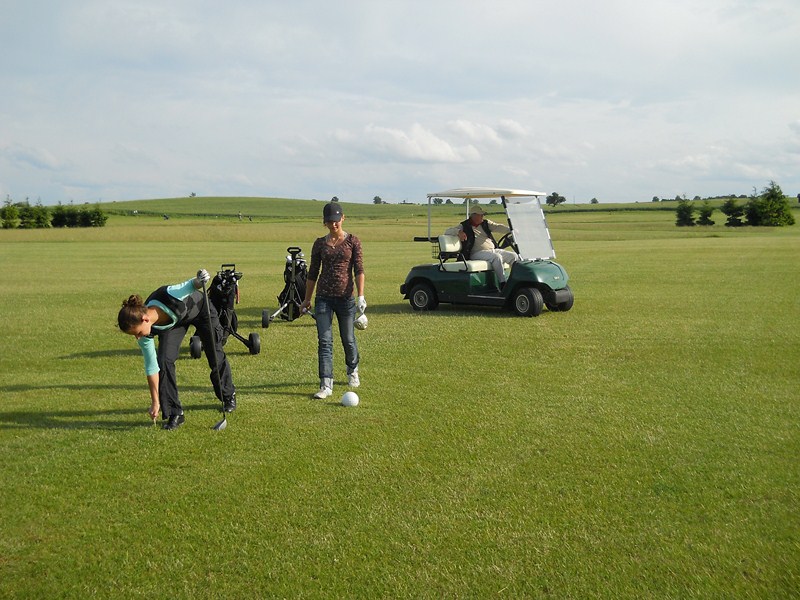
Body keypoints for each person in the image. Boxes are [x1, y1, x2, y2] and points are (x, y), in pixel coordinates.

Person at [117, 269, 237, 430]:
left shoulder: (169, 294)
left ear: (145, 319)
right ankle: (175, 413)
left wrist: (200, 278)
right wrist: (155, 402)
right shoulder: (146, 332)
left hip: (200, 309)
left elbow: (191, 285)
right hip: (176, 323)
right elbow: (152, 368)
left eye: (137, 333)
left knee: (215, 353)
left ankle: (228, 395)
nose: (138, 338)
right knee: (164, 361)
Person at [300, 202, 366, 399]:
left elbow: (359, 270)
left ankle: (352, 370)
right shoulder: (320, 244)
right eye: (330, 221)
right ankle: (326, 384)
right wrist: (306, 299)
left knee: (348, 339)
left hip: (346, 299)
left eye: (336, 220)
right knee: (325, 341)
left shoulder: (353, 241)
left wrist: (361, 296)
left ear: (343, 218)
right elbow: (312, 273)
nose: (334, 224)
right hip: (323, 299)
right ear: (325, 222)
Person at [444, 205, 519, 288]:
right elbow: (447, 231)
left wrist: (511, 230)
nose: (482, 216)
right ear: (474, 216)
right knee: (496, 257)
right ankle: (503, 283)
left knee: (513, 256)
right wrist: (459, 232)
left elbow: (498, 227)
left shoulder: (486, 224)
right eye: (480, 215)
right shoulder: (464, 226)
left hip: (492, 250)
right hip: (476, 253)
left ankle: (516, 281)